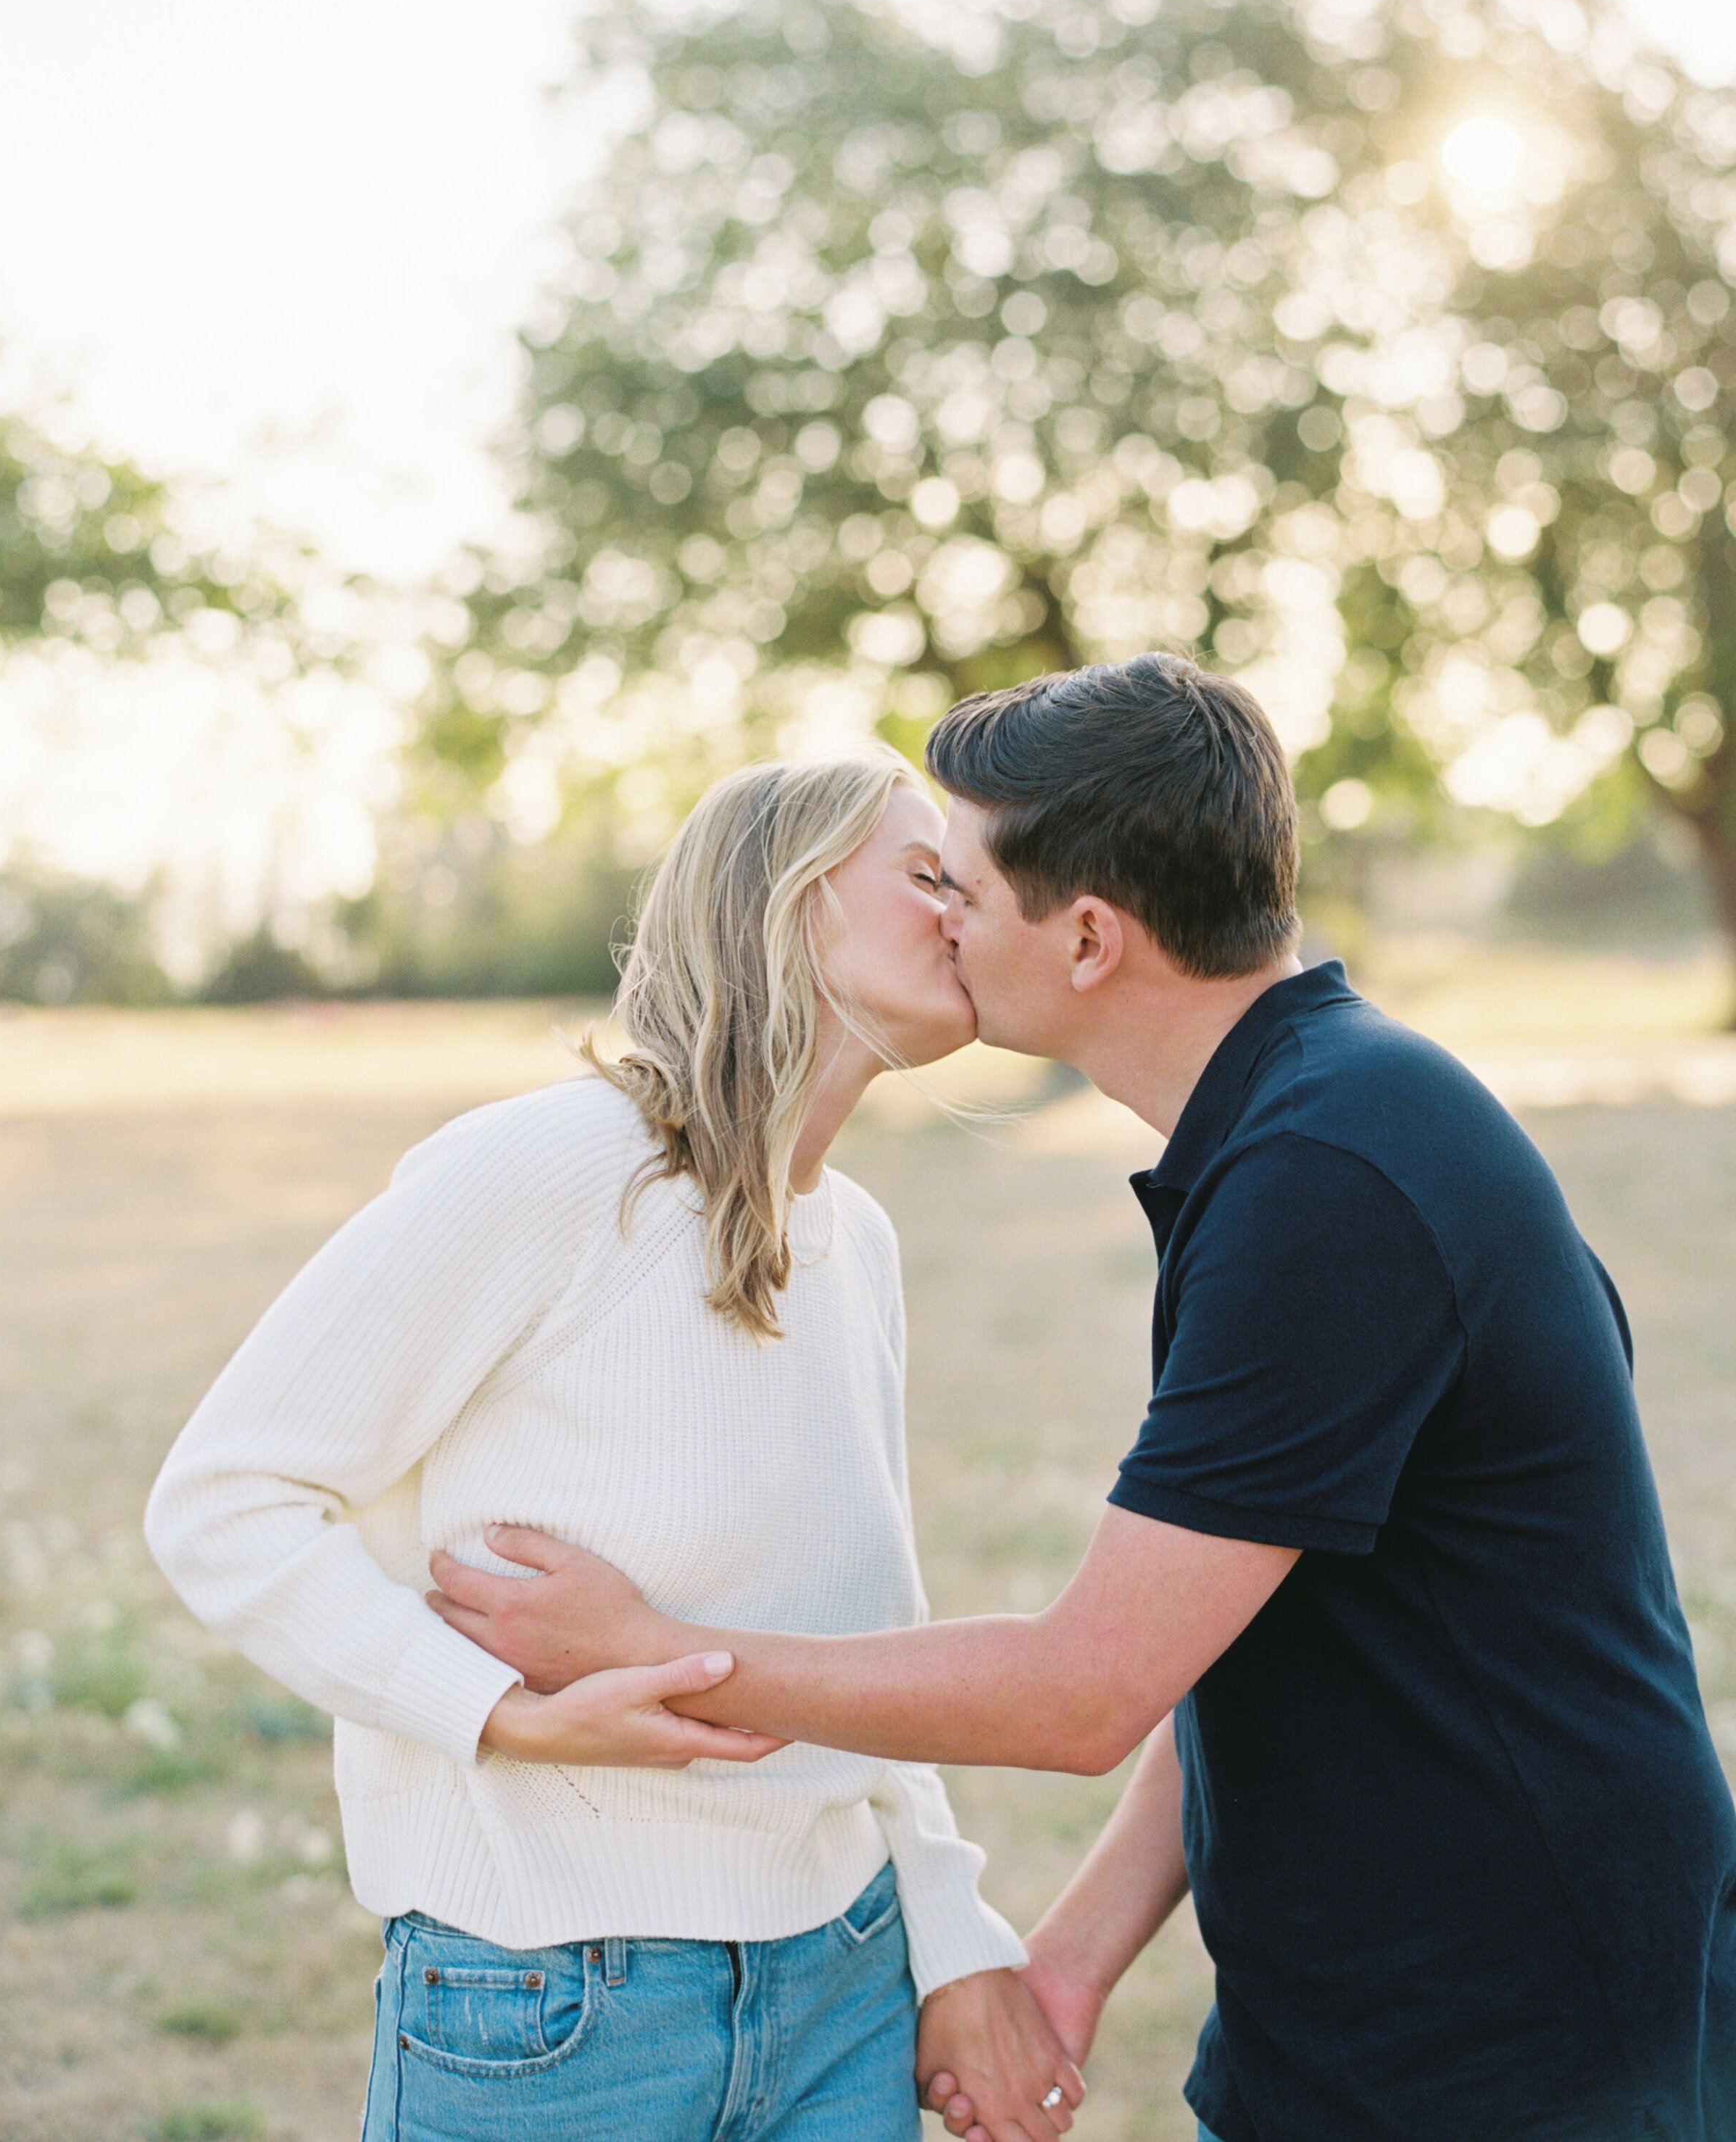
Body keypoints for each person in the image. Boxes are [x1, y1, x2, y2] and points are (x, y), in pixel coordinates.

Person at [427, 654, 1736, 2142]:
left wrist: (656, 1653)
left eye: (962, 891)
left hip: (1514, 2031)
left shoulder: (1330, 1179)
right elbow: (1241, 1629)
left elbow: (1084, 1689)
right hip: (1383, 2000)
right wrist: (1064, 1962)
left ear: (1093, 937)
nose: (939, 921)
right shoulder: (1314, 1114)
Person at [144, 748, 1085, 2142]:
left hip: (844, 1994)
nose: (969, 909)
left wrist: (950, 1936)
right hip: (553, 2008)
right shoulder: (549, 1170)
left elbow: (860, 1636)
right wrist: (497, 1713)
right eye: (928, 873)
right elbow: (226, 1501)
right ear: (788, 900)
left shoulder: (859, 1244)